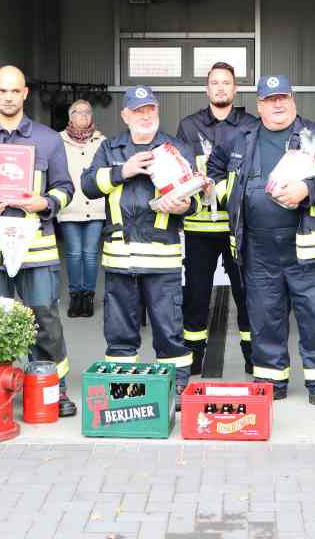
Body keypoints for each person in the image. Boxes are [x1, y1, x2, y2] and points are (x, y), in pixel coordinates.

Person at [208, 75, 315, 413]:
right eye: (271, 100)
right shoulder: (241, 138)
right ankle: (271, 382)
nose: (278, 104)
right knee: (265, 316)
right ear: (260, 105)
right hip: (258, 247)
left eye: (283, 98)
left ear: (293, 100)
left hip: (306, 246)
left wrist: (307, 190)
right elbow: (214, 174)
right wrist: (231, 196)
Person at [0, 65, 77, 417]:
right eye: (1, 91)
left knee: (44, 321)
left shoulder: (49, 140)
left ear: (25, 94)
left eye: (14, 91)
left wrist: (46, 203)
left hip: (36, 250)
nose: (7, 97)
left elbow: (65, 189)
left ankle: (52, 390)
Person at [82, 86, 195, 407]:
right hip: (120, 260)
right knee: (120, 335)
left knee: (169, 333)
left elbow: (197, 203)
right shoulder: (110, 148)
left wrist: (184, 207)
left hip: (163, 260)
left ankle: (176, 394)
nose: (146, 116)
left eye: (151, 110)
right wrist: (124, 170)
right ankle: (123, 396)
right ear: (125, 115)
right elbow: (88, 186)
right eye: (138, 110)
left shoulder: (176, 149)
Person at [177, 62, 257, 375]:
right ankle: (194, 355)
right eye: (215, 83)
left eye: (226, 83)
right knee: (196, 293)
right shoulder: (188, 125)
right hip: (199, 226)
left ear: (235, 89)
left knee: (246, 292)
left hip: (239, 225)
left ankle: (253, 355)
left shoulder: (251, 124)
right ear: (207, 89)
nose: (221, 88)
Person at [58, 99, 106, 318]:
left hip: (95, 206)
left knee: (90, 254)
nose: (84, 116)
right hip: (69, 206)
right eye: (79, 112)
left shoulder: (102, 141)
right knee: (74, 254)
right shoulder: (58, 141)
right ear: (70, 116)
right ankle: (75, 295)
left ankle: (88, 296)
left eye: (88, 112)